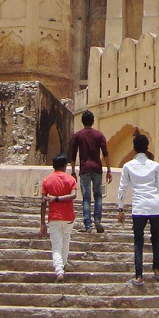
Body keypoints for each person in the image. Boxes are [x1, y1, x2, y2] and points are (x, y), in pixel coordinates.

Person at [117, 132, 159, 286]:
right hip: (154, 206)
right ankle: (157, 270)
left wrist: (120, 209)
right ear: (147, 148)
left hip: (139, 208)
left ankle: (139, 276)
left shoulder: (128, 166)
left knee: (138, 241)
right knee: (156, 239)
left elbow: (122, 188)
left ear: (134, 148)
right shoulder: (155, 166)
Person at [68, 110, 111, 233]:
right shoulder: (99, 135)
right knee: (98, 195)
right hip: (97, 169)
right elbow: (105, 153)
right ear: (93, 121)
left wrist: (73, 171)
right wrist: (109, 170)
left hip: (85, 169)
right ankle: (97, 220)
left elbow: (73, 154)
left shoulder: (78, 135)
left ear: (82, 121)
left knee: (86, 198)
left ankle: (88, 225)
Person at [39, 154, 78, 282]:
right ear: (65, 166)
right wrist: (59, 198)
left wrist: (42, 223)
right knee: (65, 242)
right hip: (68, 217)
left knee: (56, 245)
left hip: (54, 217)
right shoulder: (70, 179)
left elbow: (43, 202)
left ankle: (59, 270)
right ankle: (63, 266)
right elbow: (73, 195)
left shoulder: (47, 180)